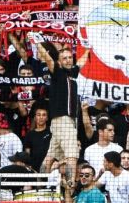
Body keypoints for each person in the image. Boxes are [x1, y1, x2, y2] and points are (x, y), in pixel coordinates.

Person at [38, 44, 90, 184]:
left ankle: (39, 183)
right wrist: (38, 44)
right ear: (59, 61)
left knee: (51, 155)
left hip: (64, 122)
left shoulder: (72, 73)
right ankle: (71, 184)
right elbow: (48, 59)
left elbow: (81, 62)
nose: (68, 60)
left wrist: (89, 50)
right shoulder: (57, 72)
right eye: (64, 58)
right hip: (63, 120)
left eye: (69, 57)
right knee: (72, 154)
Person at [24, 105, 52, 172]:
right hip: (34, 169)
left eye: (44, 115)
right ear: (35, 117)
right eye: (39, 115)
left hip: (49, 167)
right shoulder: (30, 134)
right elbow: (27, 153)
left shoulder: (52, 131)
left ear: (47, 118)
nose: (41, 117)